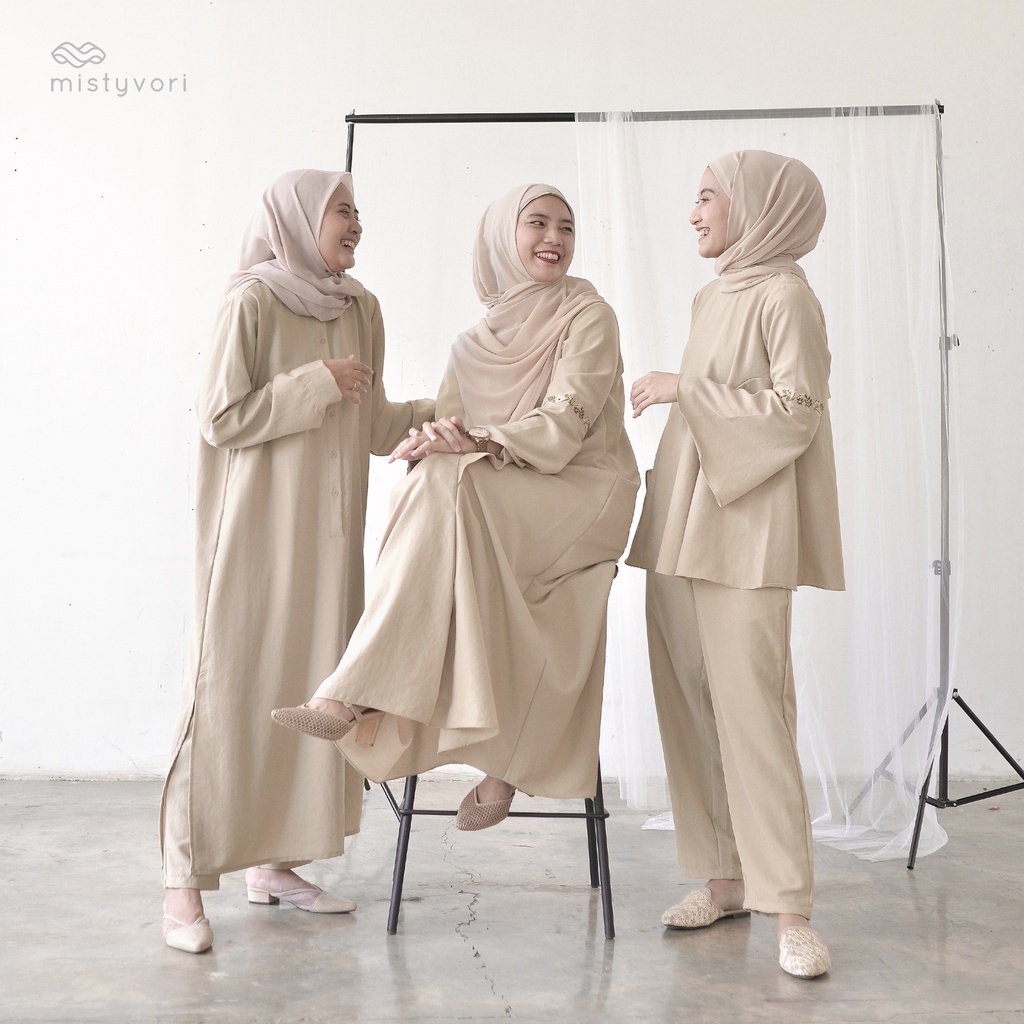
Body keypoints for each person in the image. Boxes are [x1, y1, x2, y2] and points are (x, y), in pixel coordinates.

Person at [272, 183, 639, 828]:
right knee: (432, 482)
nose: (554, 238)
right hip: (499, 489)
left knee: (450, 486)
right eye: (537, 223)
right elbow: (449, 425)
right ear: (501, 237)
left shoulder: (589, 316)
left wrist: (478, 441)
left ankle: (357, 692)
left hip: (584, 487)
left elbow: (565, 426)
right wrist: (440, 439)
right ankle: (499, 764)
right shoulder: (471, 344)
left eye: (566, 227)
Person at [160, 169, 435, 954]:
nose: (356, 223)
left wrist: (453, 408)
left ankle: (273, 866)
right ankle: (182, 883)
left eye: (358, 210)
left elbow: (374, 424)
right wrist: (315, 382)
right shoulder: (250, 301)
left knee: (304, 692)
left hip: (327, 543)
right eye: (341, 210)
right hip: (253, 538)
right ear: (295, 220)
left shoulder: (361, 310)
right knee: (225, 695)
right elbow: (221, 417)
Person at [627, 151, 844, 979]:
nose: (694, 213)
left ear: (758, 206)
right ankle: (723, 879)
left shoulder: (787, 296)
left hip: (746, 527)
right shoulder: (712, 293)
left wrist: (684, 386)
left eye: (708, 197)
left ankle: (790, 909)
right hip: (682, 520)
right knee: (689, 699)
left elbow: (799, 412)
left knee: (756, 711)